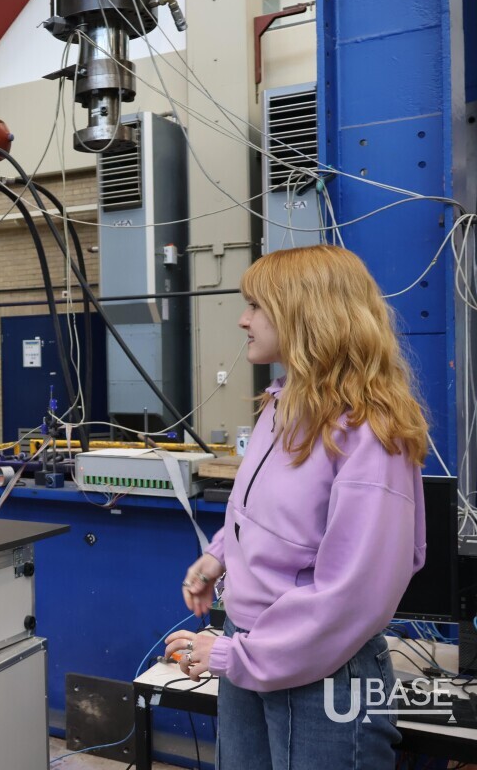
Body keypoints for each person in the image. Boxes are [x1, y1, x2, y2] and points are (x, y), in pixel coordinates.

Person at [164, 245, 428, 769]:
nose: (243, 320)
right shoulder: (281, 406)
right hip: (254, 651)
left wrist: (236, 654)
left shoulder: (370, 434)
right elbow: (259, 513)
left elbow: (353, 592)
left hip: (324, 670)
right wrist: (219, 557)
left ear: (307, 315)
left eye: (256, 306)